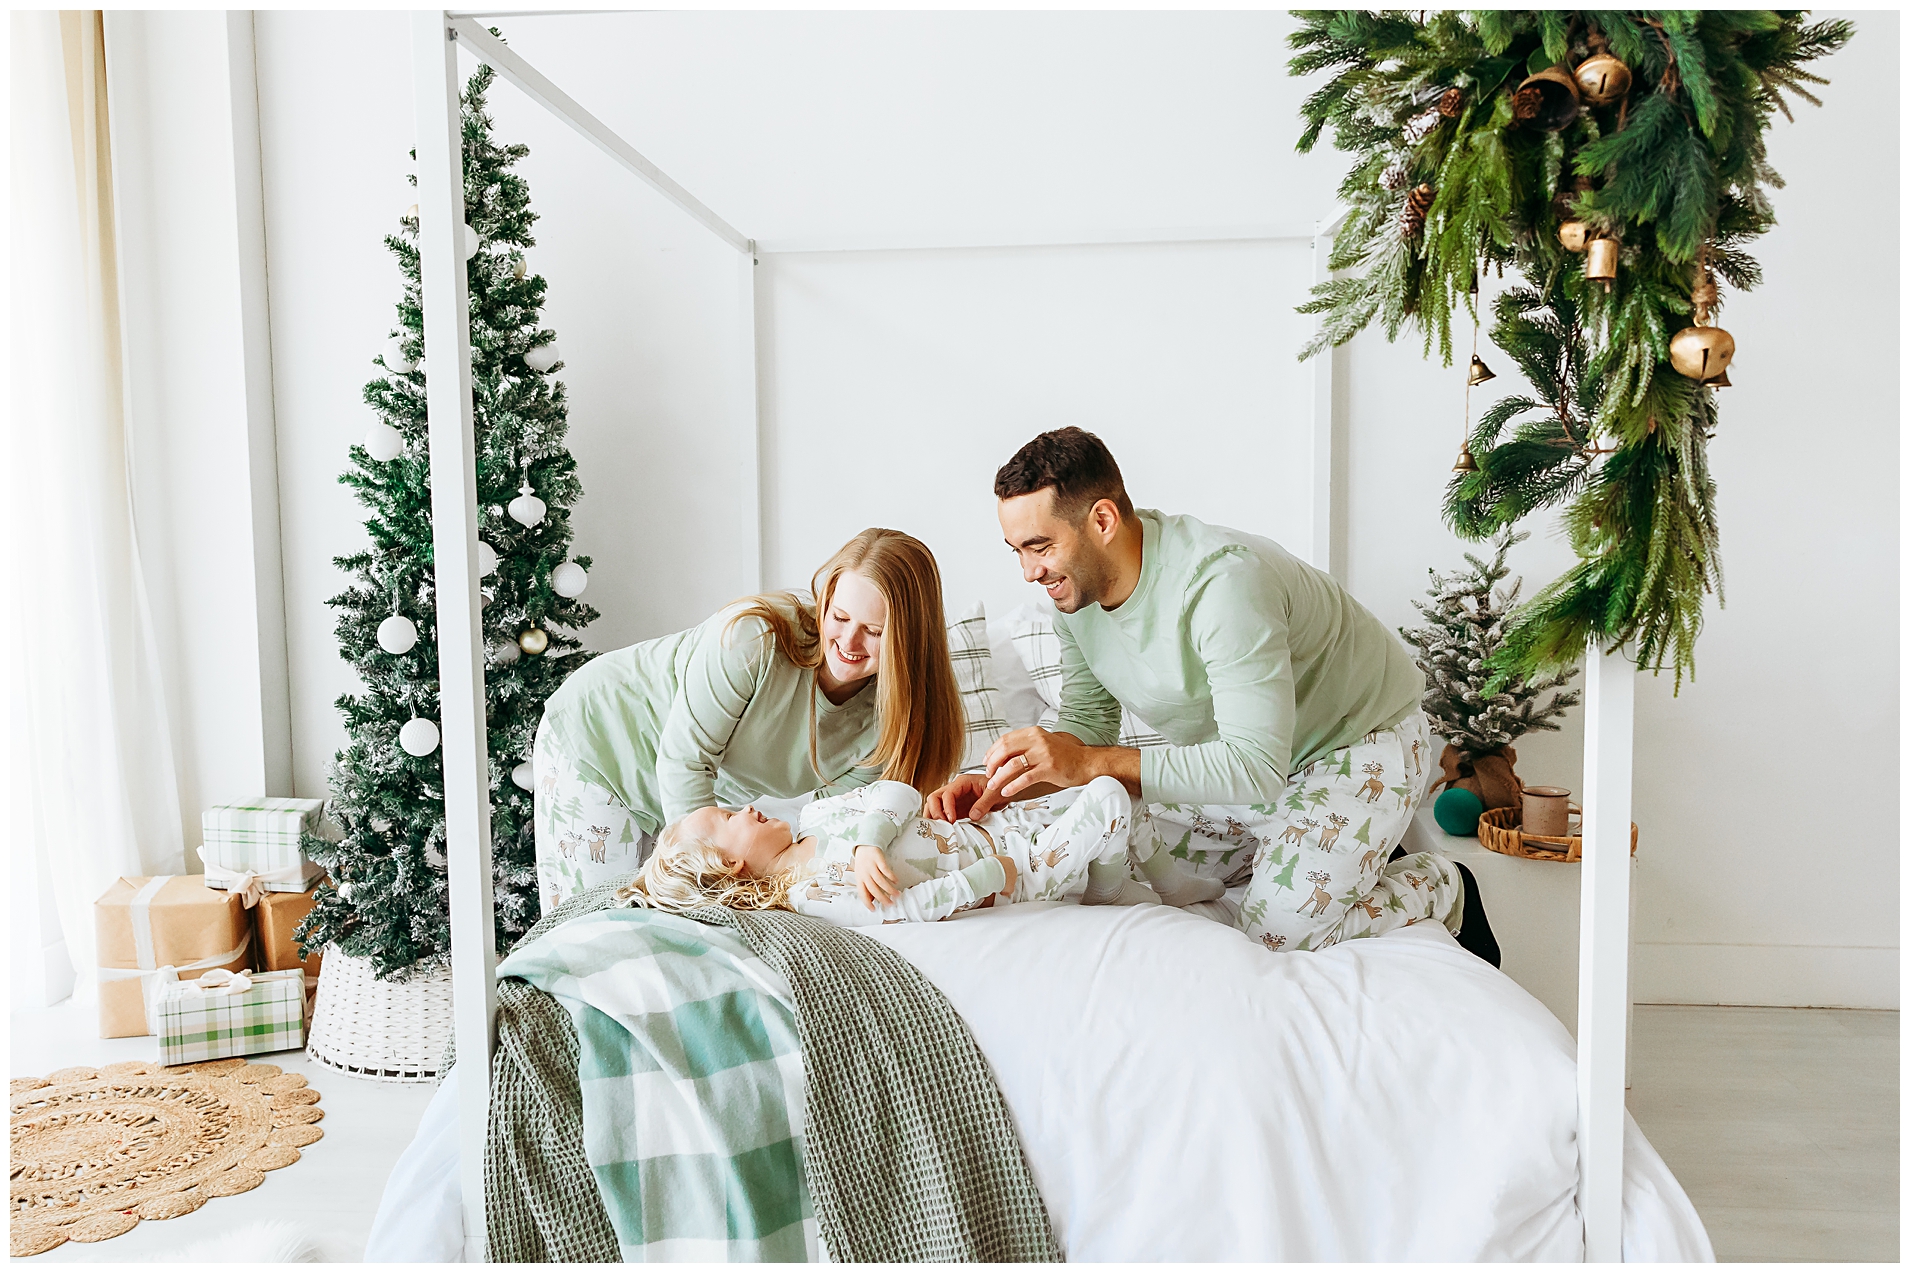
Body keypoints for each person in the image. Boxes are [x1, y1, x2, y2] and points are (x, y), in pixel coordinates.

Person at [925, 427, 1462, 953]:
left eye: (1039, 546)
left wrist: (1092, 764)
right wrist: (999, 786)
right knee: (1111, 856)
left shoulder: (1222, 585)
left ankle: (1437, 882)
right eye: (1016, 550)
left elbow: (1251, 766)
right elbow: (1087, 726)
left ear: (1103, 520)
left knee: (1274, 941)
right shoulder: (1075, 600)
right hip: (1246, 766)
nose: (1028, 571)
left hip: (1355, 747)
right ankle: (1276, 847)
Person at [531, 528, 964, 913]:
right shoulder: (754, 638)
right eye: (840, 617)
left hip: (697, 803)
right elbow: (684, 762)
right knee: (594, 923)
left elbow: (834, 830)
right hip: (601, 740)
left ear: (909, 638)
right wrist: (709, 892)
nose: (849, 642)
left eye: (874, 630)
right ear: (825, 603)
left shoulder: (885, 725)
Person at [618, 777, 1134, 926]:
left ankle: (1174, 888)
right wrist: (986, 879)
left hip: (1002, 826)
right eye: (730, 819)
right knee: (1110, 797)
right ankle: (1107, 897)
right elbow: (906, 910)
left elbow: (899, 792)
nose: (748, 808)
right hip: (1021, 872)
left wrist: (870, 843)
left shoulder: (819, 817)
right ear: (730, 863)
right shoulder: (811, 894)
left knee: (1131, 801)